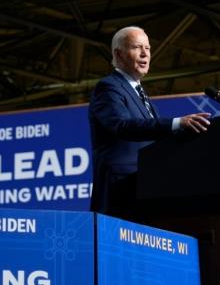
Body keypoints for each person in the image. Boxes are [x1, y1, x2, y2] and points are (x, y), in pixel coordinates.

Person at [88, 26, 211, 218]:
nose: (145, 53)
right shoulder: (108, 87)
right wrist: (177, 123)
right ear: (119, 54)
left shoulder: (140, 94)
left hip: (147, 188)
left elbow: (154, 140)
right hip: (120, 190)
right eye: (137, 47)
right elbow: (122, 126)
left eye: (148, 48)